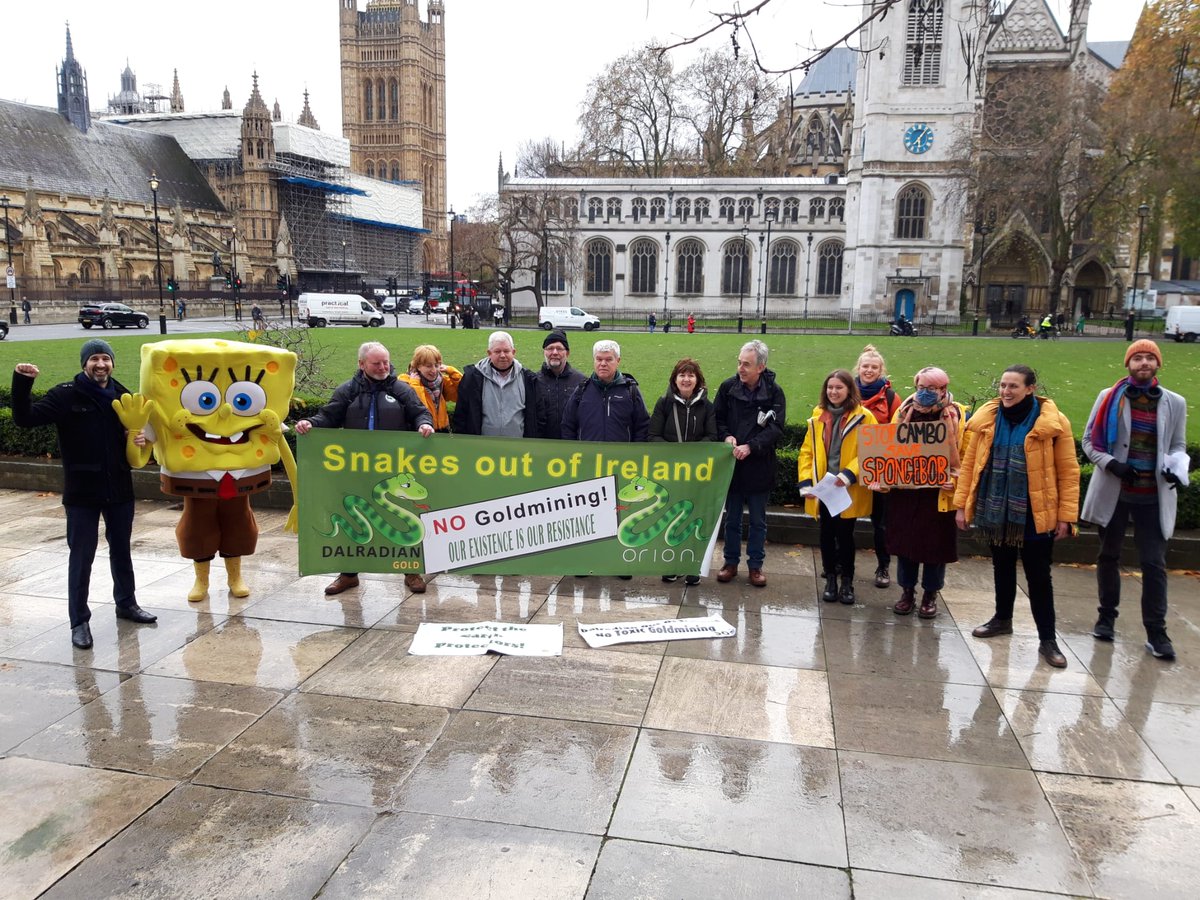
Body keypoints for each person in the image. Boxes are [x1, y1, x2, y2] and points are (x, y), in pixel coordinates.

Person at [11, 339, 158, 649]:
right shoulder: (66, 395)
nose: (100, 364)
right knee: (82, 557)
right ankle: (79, 621)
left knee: (122, 551)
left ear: (112, 363)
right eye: (94, 359)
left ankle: (127, 604)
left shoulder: (123, 395)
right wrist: (23, 382)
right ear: (84, 364)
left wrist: (141, 439)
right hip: (82, 493)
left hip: (118, 487)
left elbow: (136, 433)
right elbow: (24, 419)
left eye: (105, 358)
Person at [955, 365, 1080, 668]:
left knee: (1039, 577)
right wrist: (962, 506)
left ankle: (1047, 640)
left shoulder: (1053, 423)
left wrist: (1067, 516)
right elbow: (970, 464)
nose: (1006, 392)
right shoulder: (987, 420)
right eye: (1003, 386)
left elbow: (1069, 471)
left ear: (1030, 389)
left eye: (1013, 386)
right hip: (995, 509)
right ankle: (1002, 619)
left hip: (1035, 512)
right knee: (1002, 567)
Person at [296, 341, 434, 595]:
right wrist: (310, 423)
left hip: (391, 468)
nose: (383, 367)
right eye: (376, 363)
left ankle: (411, 570)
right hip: (355, 469)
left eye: (386, 362)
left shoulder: (402, 390)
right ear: (361, 364)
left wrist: (424, 424)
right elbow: (328, 417)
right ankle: (348, 574)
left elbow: (419, 413)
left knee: (401, 516)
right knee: (352, 516)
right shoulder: (347, 391)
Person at [1081, 339, 1187, 660]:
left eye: (1149, 358)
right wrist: (1111, 463)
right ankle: (1106, 618)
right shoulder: (1110, 398)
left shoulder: (1174, 402)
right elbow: (1089, 441)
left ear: (1157, 365)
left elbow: (1178, 444)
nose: (1143, 363)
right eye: (1137, 358)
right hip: (1116, 491)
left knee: (1154, 564)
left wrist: (1174, 467)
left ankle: (1157, 631)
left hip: (1153, 497)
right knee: (1109, 556)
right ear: (1128, 364)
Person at [878, 367, 965, 619]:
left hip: (936, 494)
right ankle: (907, 591)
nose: (924, 393)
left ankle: (930, 594)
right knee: (906, 545)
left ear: (943, 389)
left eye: (931, 388)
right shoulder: (904, 411)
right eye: (921, 387)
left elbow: (966, 454)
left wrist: (954, 480)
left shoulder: (956, 414)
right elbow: (890, 448)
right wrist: (882, 474)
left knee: (934, 547)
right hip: (906, 492)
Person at [798, 370, 876, 604]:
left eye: (839, 388)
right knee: (825, 534)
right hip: (824, 488)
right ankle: (830, 578)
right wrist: (806, 483)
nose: (833, 392)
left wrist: (849, 474)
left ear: (849, 390)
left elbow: (869, 451)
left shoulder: (865, 416)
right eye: (830, 387)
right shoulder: (818, 415)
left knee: (845, 536)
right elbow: (807, 452)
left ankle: (847, 582)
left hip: (846, 487)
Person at [714, 340, 786, 588]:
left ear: (761, 367)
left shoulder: (775, 392)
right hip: (732, 465)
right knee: (731, 519)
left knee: (758, 520)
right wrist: (726, 436)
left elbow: (776, 428)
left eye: (746, 364)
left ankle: (756, 566)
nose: (740, 368)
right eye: (739, 362)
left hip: (759, 465)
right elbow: (718, 418)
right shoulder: (727, 388)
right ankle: (730, 562)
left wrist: (751, 446)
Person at [649, 357, 717, 585]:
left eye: (691, 375)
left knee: (694, 520)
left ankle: (692, 566)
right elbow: (653, 435)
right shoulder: (664, 403)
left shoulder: (707, 406)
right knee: (672, 520)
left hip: (697, 474)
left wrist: (693, 455)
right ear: (675, 379)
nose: (686, 379)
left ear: (697, 380)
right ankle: (671, 564)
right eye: (682, 375)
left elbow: (712, 436)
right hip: (671, 472)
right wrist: (674, 455)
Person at [853, 345, 901, 588]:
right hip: (850, 465)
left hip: (878, 469)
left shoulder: (892, 399)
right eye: (865, 366)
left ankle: (883, 566)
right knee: (844, 518)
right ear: (858, 368)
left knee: (881, 524)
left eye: (874, 367)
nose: (869, 371)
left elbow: (898, 435)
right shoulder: (847, 392)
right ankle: (840, 563)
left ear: (881, 370)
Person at [452, 331, 539, 437]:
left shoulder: (528, 379)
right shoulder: (472, 378)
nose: (502, 355)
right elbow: (461, 415)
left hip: (517, 450)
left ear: (513, 352)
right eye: (497, 351)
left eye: (506, 351)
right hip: (482, 449)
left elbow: (535, 416)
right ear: (489, 353)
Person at [561, 339, 649, 442]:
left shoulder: (630, 391)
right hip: (588, 456)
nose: (603, 364)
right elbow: (568, 425)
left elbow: (642, 427)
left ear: (618, 361)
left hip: (621, 457)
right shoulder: (582, 390)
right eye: (599, 359)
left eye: (608, 359)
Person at [533, 330, 586, 440]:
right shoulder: (534, 381)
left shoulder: (581, 382)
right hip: (542, 445)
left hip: (571, 446)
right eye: (550, 348)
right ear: (544, 352)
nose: (555, 352)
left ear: (567, 353)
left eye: (559, 348)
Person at [399, 344, 461, 433]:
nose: (434, 370)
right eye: (428, 366)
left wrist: (452, 371)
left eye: (436, 365)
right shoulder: (405, 381)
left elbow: (461, 392)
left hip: (442, 429)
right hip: (420, 429)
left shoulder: (441, 380)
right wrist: (415, 385)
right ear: (418, 366)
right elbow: (418, 406)